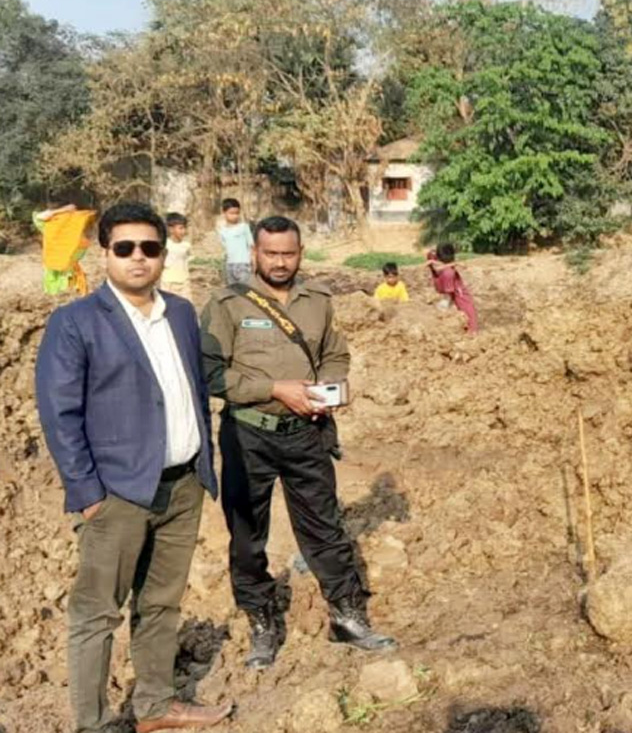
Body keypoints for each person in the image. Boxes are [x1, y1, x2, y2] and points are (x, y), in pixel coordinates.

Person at [34, 202, 232, 733]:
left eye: (150, 247)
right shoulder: (75, 322)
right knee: (98, 613)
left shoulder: (183, 314)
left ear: (164, 254)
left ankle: (155, 704)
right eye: (125, 248)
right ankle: (93, 723)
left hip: (183, 485)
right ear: (106, 254)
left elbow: (192, 388)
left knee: (162, 604)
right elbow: (59, 412)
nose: (138, 258)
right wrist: (88, 491)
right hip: (117, 493)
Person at [200, 216, 395, 670]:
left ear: (301, 253)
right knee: (248, 539)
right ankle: (263, 624)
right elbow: (211, 374)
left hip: (306, 434)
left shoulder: (318, 300)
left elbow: (334, 352)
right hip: (249, 435)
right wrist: (275, 389)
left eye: (289, 254)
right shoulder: (227, 304)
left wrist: (329, 388)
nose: (280, 262)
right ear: (254, 254)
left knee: (324, 528)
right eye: (271, 254)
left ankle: (347, 617)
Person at [34, 203, 95, 296]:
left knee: (68, 289)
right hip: (55, 264)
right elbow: (39, 217)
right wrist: (64, 210)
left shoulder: (73, 226)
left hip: (67, 266)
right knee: (56, 287)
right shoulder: (51, 224)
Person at [426, 243, 478, 333]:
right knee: (448, 272)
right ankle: (447, 299)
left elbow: (465, 265)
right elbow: (437, 268)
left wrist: (452, 263)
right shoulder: (433, 257)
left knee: (467, 305)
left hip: (455, 287)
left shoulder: (443, 259)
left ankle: (472, 329)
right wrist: (452, 264)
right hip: (442, 284)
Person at [217, 198, 253, 286]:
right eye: (231, 213)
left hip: (243, 264)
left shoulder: (244, 227)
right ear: (224, 213)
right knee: (232, 290)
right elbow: (224, 246)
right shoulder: (222, 230)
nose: (235, 216)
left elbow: (251, 244)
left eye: (237, 213)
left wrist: (253, 260)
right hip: (230, 264)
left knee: (245, 290)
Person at [162, 212, 193, 302]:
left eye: (184, 228)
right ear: (171, 229)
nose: (184, 231)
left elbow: (187, 260)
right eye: (181, 228)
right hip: (168, 282)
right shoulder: (165, 245)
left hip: (184, 282)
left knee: (186, 305)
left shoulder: (186, 246)